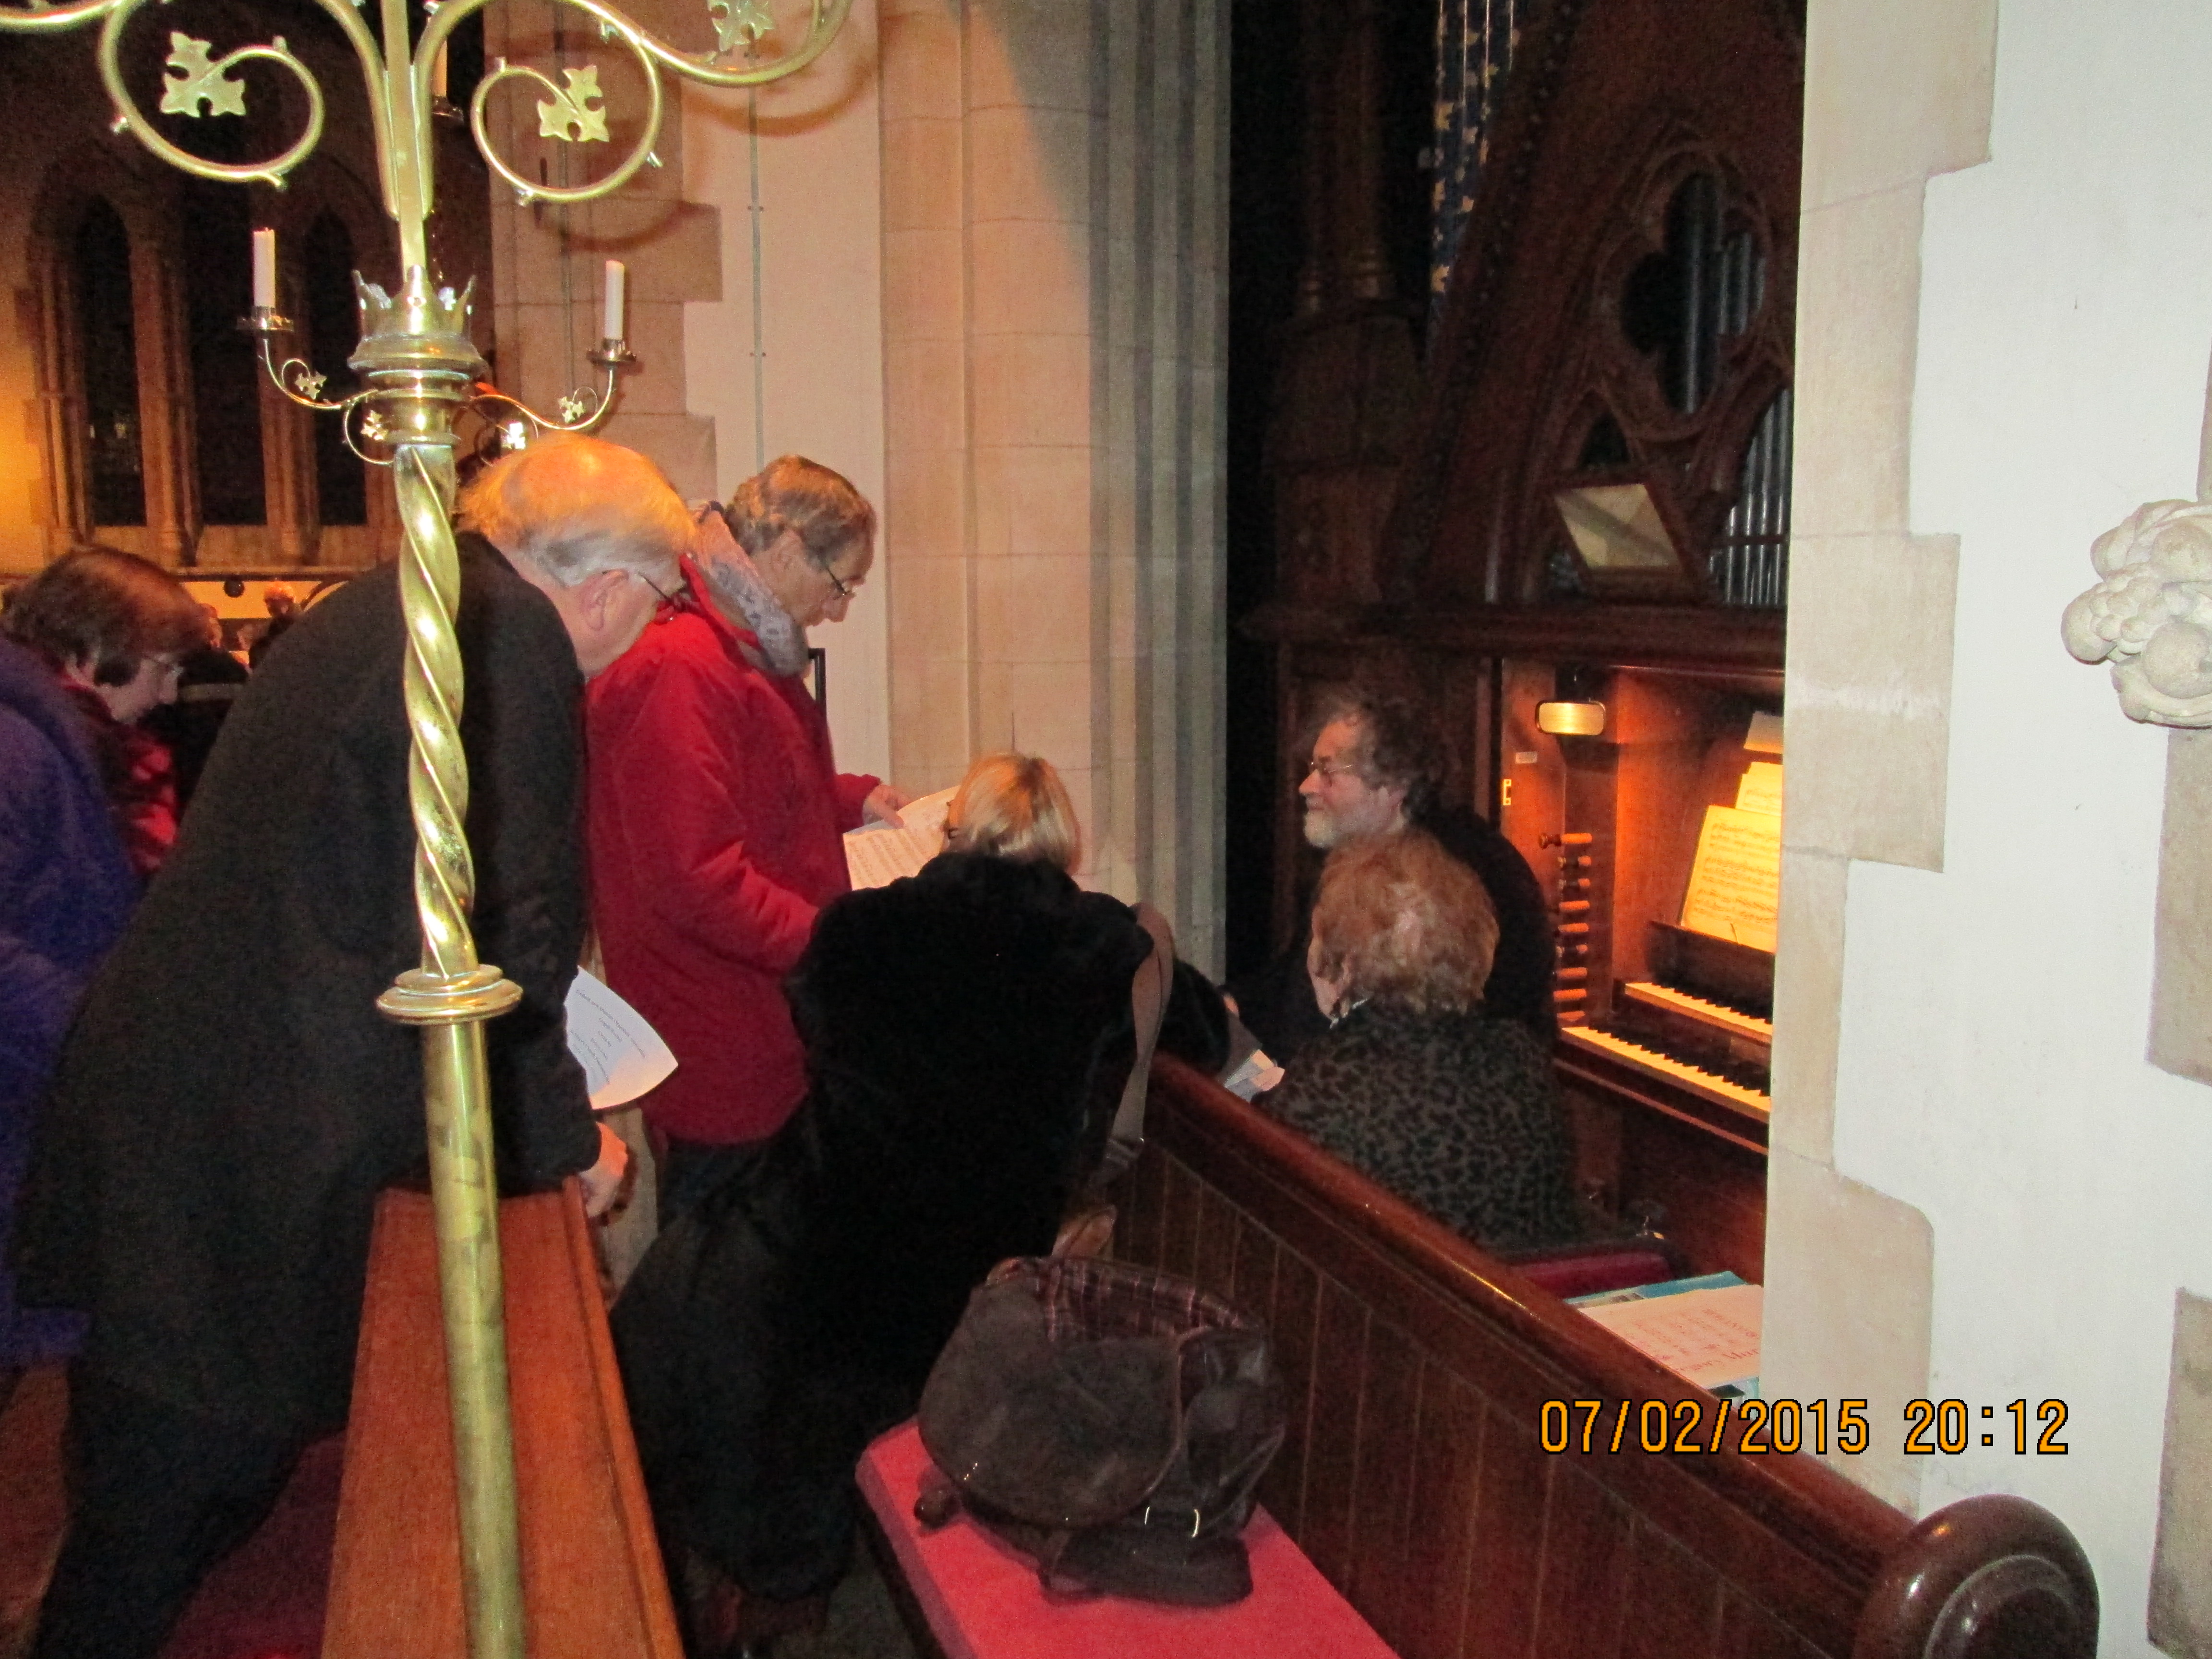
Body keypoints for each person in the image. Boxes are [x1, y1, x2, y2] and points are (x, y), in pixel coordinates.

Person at [13, 435, 687, 1659]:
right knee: (160, 1516)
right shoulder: (507, 643)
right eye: (660, 601)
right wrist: (562, 1138)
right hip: (241, 1154)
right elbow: (506, 931)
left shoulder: (401, 594)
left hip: (190, 1110)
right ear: (610, 586)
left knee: (159, 1494)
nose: (646, 631)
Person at [612, 751, 1228, 1655]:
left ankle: (746, 1597)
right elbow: (1201, 1034)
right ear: (1061, 844)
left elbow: (812, 1020)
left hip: (811, 1232)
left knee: (690, 1334)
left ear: (952, 828)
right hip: (965, 1265)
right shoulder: (1106, 945)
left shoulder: (860, 929)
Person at [587, 454, 907, 1219]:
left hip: (760, 1017)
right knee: (720, 1269)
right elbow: (694, 876)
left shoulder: (736, 643)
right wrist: (837, 941)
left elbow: (758, 793)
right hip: (723, 1034)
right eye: (840, 585)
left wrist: (857, 801)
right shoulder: (683, 663)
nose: (839, 610)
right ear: (792, 550)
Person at [1258, 830, 1580, 1250]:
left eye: (1317, 937)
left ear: (1347, 964)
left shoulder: (1326, 1085)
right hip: (1525, 1302)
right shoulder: (1523, 1058)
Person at [1225, 686, 1554, 1062]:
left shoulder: (1452, 877)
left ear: (1393, 785)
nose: (1306, 787)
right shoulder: (1361, 859)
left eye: (1326, 771)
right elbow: (1289, 985)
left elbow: (1422, 1037)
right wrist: (1224, 1007)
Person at [1, 546, 205, 878]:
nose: (168, 696)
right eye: (164, 670)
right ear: (98, 649)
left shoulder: (79, 750)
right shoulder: (21, 758)